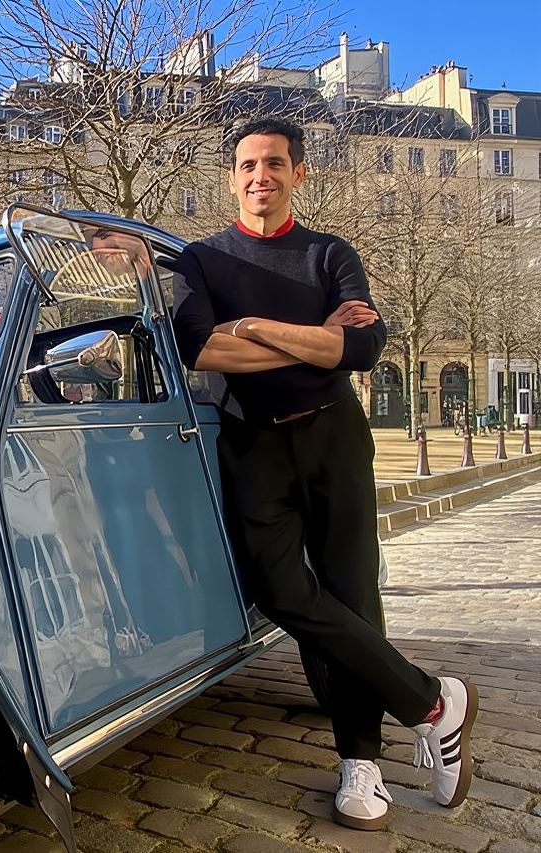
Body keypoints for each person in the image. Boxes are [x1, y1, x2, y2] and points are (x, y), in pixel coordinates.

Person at [171, 117, 477, 832]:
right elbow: (200, 349)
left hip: (334, 434)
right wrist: (318, 339)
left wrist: (254, 328)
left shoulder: (330, 252)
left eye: (275, 163)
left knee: (352, 590)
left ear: (298, 173)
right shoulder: (201, 260)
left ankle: (360, 763)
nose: (261, 176)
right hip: (254, 442)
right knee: (279, 589)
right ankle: (433, 703)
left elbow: (363, 348)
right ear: (232, 177)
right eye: (248, 165)